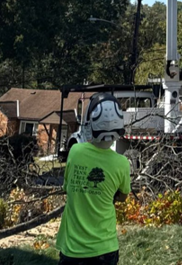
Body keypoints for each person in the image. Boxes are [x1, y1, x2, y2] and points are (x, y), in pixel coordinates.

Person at [56, 93, 130, 265]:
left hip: (73, 250)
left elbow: (67, 188)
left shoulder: (75, 152)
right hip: (106, 250)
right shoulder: (122, 163)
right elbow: (123, 196)